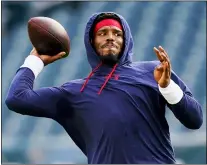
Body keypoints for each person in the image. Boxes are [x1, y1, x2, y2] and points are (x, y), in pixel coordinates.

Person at [5, 12, 203, 164]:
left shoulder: (154, 71)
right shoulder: (73, 92)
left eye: (117, 33)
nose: (110, 38)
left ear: (125, 41)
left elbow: (194, 120)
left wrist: (167, 87)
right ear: (92, 41)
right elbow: (16, 98)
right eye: (102, 33)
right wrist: (35, 61)